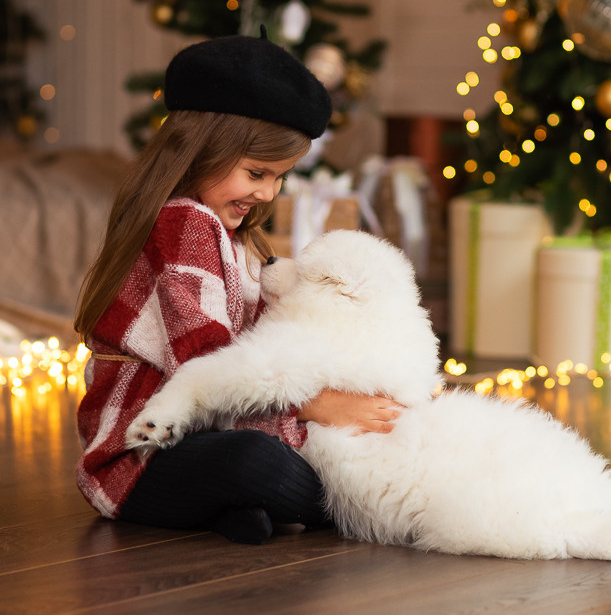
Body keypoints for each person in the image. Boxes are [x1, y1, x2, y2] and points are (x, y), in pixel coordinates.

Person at [73, 32, 402, 545]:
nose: (267, 192)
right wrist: (317, 406)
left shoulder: (233, 237)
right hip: (141, 461)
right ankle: (370, 504)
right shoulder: (183, 224)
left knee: (303, 450)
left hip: (215, 432)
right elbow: (210, 365)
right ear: (202, 149)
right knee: (256, 464)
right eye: (256, 172)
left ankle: (237, 511)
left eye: (280, 178)